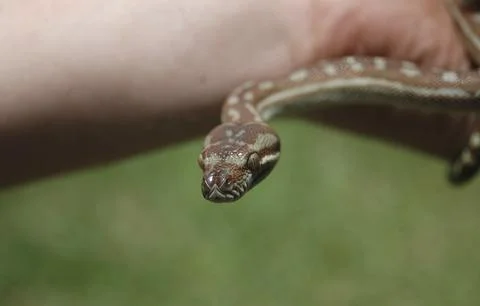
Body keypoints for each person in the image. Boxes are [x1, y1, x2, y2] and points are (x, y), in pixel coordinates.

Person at [0, 0, 475, 187]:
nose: (221, 181)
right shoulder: (247, 106)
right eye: (214, 168)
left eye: (242, 167)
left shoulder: (248, 104)